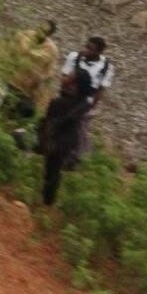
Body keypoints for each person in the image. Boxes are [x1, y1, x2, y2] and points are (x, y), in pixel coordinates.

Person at [37, 70, 94, 206]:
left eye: (69, 77)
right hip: (67, 145)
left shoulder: (58, 104)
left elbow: (47, 126)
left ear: (74, 86)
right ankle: (48, 203)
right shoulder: (81, 105)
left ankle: (46, 202)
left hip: (56, 143)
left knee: (51, 173)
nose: (65, 78)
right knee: (54, 173)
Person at [61, 37, 114, 156]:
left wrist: (92, 108)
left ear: (99, 52)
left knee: (79, 129)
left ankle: (77, 156)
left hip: (85, 101)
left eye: (91, 49)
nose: (86, 50)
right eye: (86, 46)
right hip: (68, 96)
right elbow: (63, 79)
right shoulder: (74, 57)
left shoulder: (106, 67)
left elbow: (101, 89)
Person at [12, 22, 60, 118]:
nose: (40, 32)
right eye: (40, 29)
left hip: (28, 89)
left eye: (45, 32)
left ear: (49, 34)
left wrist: (39, 87)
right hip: (12, 79)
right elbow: (12, 47)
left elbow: (49, 72)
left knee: (16, 112)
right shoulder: (25, 35)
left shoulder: (52, 50)